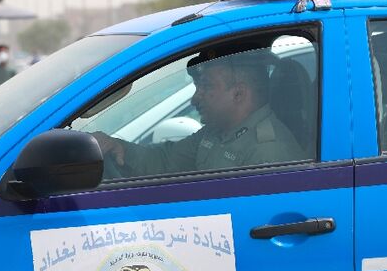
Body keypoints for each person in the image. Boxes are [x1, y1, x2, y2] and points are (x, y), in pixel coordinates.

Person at [92, 45, 303, 177]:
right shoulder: (216, 132)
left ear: (238, 94)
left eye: (207, 86)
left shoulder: (268, 152)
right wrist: (118, 147)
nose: (195, 99)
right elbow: (165, 161)